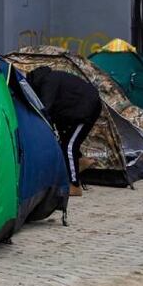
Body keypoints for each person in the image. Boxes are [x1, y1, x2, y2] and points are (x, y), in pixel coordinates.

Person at [25, 66, 101, 197]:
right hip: (80, 109)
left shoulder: (48, 82)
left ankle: (75, 186)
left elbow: (45, 109)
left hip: (86, 110)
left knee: (69, 146)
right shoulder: (52, 78)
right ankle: (80, 160)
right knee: (66, 140)